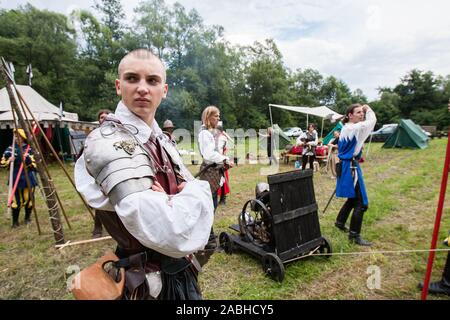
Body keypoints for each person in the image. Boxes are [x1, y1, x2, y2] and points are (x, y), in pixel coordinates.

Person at [74, 49, 214, 300]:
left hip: (182, 272)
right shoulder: (109, 143)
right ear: (119, 86)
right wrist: (195, 193)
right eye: (132, 78)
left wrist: (182, 196)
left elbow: (194, 209)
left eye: (152, 80)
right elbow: (173, 230)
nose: (142, 88)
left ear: (164, 89)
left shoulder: (160, 139)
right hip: (148, 284)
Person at [334, 104, 376, 246]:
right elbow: (372, 121)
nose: (361, 114)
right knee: (362, 203)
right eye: (358, 112)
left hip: (347, 165)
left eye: (362, 112)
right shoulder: (354, 127)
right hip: (350, 166)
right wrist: (368, 109)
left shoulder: (348, 128)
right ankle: (354, 235)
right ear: (350, 115)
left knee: (352, 198)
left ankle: (340, 222)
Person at [198, 106, 232, 249]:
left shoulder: (211, 132)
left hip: (214, 171)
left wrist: (224, 160)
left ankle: (207, 235)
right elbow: (208, 154)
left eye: (219, 116)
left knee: (213, 205)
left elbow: (215, 152)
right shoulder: (205, 133)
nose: (218, 118)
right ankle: (208, 238)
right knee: (209, 207)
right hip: (209, 173)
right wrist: (224, 159)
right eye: (216, 116)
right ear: (208, 117)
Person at [1, 129, 37, 228]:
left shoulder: (29, 149)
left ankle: (27, 218)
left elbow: (35, 165)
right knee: (16, 200)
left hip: (28, 177)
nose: (16, 138)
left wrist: (28, 160)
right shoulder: (10, 149)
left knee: (29, 199)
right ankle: (15, 222)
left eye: (18, 136)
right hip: (15, 176)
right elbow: (2, 164)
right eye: (15, 136)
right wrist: (9, 161)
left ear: (23, 137)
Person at [91, 109, 112, 238]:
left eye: (106, 117)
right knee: (100, 201)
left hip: (115, 169)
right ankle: (97, 228)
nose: (103, 119)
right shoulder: (94, 135)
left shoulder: (118, 132)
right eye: (101, 117)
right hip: (100, 171)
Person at [216, 124, 231, 205]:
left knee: (223, 181)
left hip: (222, 160)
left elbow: (224, 150)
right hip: (215, 160)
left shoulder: (222, 138)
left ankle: (223, 198)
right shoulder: (214, 137)